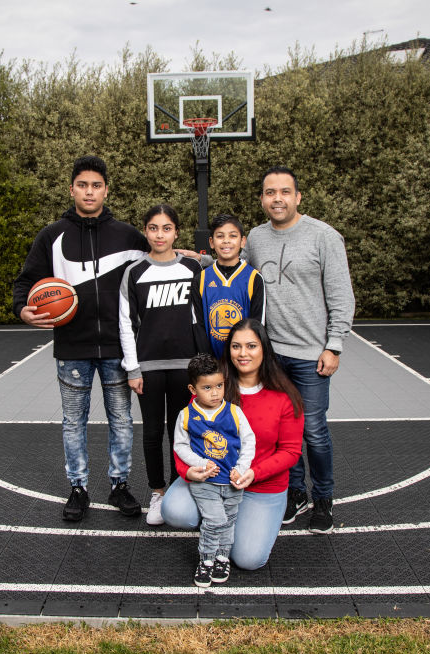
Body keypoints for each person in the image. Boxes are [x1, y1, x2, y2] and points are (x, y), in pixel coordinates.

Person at [12, 155, 150, 522]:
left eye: (97, 185)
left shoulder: (127, 235)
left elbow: (157, 260)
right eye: (83, 185)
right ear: (72, 188)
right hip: (72, 347)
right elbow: (26, 282)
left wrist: (184, 257)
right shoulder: (52, 236)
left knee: (121, 419)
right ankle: (78, 488)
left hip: (118, 349)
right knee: (74, 421)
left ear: (106, 189)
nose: (90, 192)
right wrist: (21, 308)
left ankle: (119, 485)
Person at [245, 166, 355, 534]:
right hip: (271, 357)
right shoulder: (256, 238)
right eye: (270, 192)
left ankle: (323, 498)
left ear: (298, 197)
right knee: (282, 433)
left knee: (314, 430)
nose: (277, 198)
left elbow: (341, 296)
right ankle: (296, 493)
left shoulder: (324, 236)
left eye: (284, 192)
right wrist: (198, 260)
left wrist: (334, 345)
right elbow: (237, 271)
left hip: (311, 355)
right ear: (262, 198)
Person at [161, 319, 303, 570]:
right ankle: (218, 520)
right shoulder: (214, 387)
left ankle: (237, 521)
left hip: (260, 486)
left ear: (264, 349)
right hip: (213, 480)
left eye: (251, 346)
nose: (243, 353)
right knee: (175, 511)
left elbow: (291, 452)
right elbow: (185, 436)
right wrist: (187, 471)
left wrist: (253, 473)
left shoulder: (284, 395)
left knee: (248, 560)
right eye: (236, 346)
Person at [118, 204, 206, 526]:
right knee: (153, 432)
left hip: (186, 365)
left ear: (176, 233)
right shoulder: (134, 272)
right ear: (146, 231)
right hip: (149, 368)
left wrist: (201, 367)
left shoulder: (193, 269)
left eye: (166, 228)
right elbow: (125, 324)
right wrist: (133, 368)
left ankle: (178, 489)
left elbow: (202, 312)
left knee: (180, 430)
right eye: (154, 228)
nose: (160, 234)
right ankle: (157, 492)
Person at [172, 353, 255, 586]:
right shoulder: (187, 415)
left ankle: (222, 557)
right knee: (214, 520)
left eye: (219, 385)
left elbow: (249, 442)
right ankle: (206, 560)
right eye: (207, 388)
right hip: (205, 482)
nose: (215, 392)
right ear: (193, 389)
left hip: (232, 482)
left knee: (228, 521)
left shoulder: (235, 412)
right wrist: (198, 463)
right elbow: (180, 446)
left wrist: (241, 468)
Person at [193, 213, 265, 359]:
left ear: (243, 241)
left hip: (243, 361)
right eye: (220, 236)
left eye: (233, 236)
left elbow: (258, 324)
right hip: (213, 363)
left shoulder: (254, 278)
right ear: (211, 242)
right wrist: (208, 361)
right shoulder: (201, 279)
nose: (226, 241)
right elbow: (198, 324)